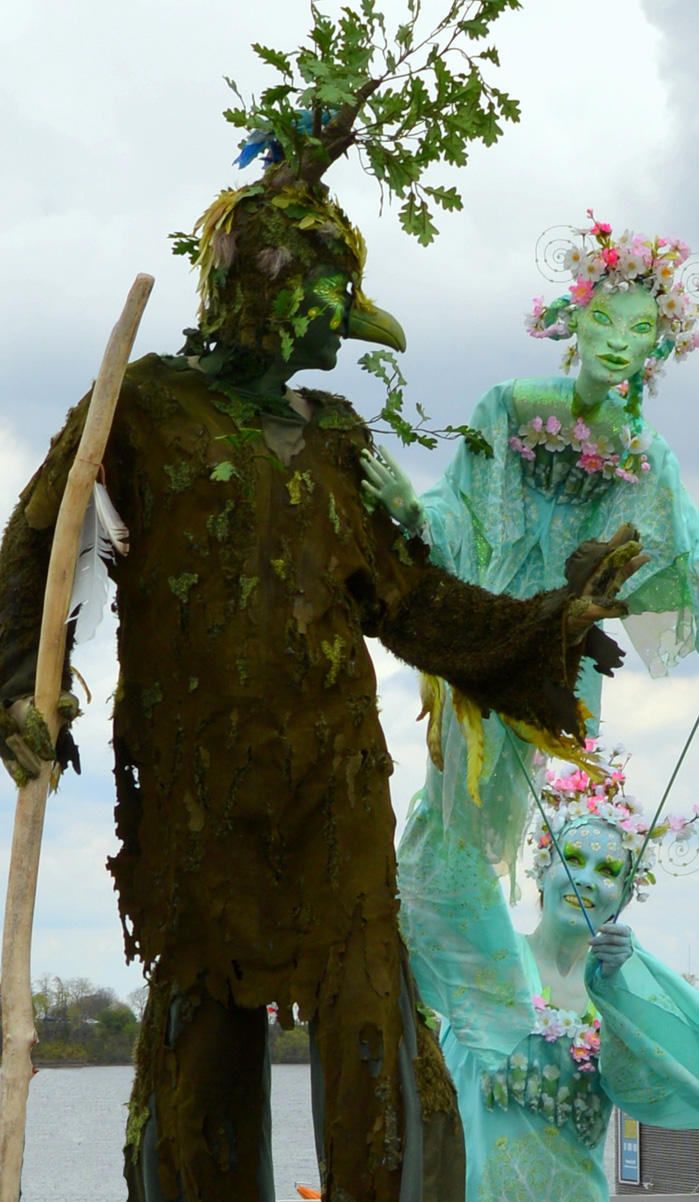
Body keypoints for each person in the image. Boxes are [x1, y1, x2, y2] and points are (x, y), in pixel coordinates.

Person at [0, 144, 647, 1201]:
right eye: (327, 291)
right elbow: (38, 545)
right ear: (260, 291)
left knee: (367, 1031)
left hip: (334, 791)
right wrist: (21, 693)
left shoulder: (332, 435)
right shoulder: (145, 407)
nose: (345, 320)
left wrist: (547, 622)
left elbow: (410, 600)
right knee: (201, 1026)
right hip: (194, 792)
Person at [363, 215, 699, 872]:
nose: (620, 342)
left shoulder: (648, 455)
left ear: (660, 344)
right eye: (606, 321)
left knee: (526, 804)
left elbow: (689, 557)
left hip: (566, 640)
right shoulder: (509, 405)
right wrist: (412, 512)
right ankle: (434, 928)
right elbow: (460, 508)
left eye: (641, 329)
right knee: (451, 796)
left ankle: (496, 950)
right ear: (576, 317)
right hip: (487, 620)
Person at [397, 753, 699, 1201]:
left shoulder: (621, 994)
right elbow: (432, 881)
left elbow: (639, 1092)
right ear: (543, 868)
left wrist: (618, 992)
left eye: (607, 871)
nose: (585, 879)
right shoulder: (490, 960)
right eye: (573, 859)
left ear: (625, 894)